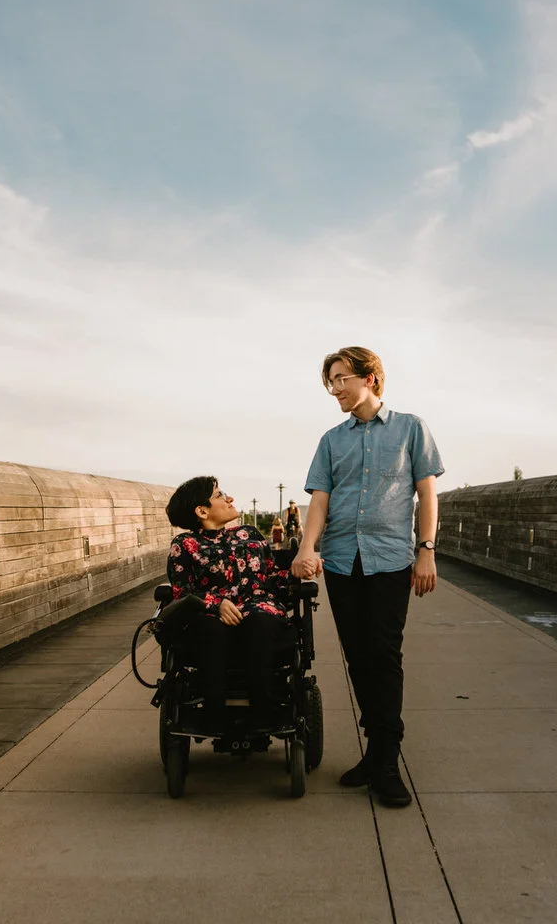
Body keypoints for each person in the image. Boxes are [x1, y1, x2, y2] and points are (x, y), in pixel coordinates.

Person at [291, 346, 443, 808]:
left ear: (370, 378)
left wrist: (427, 551)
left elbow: (426, 494)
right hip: (341, 562)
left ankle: (386, 761)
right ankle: (376, 752)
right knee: (357, 658)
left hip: (391, 561)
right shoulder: (331, 440)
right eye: (330, 382)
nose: (335, 389)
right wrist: (306, 546)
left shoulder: (411, 428)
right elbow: (319, 499)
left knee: (384, 656)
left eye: (341, 379)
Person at [165, 476, 295, 732]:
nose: (229, 498)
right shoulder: (185, 545)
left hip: (258, 608)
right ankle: (215, 713)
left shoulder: (249, 534)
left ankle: (263, 712)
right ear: (202, 511)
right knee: (211, 629)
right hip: (210, 616)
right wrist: (216, 604)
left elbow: (271, 579)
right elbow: (183, 594)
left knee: (261, 621)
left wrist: (297, 572)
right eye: (219, 495)